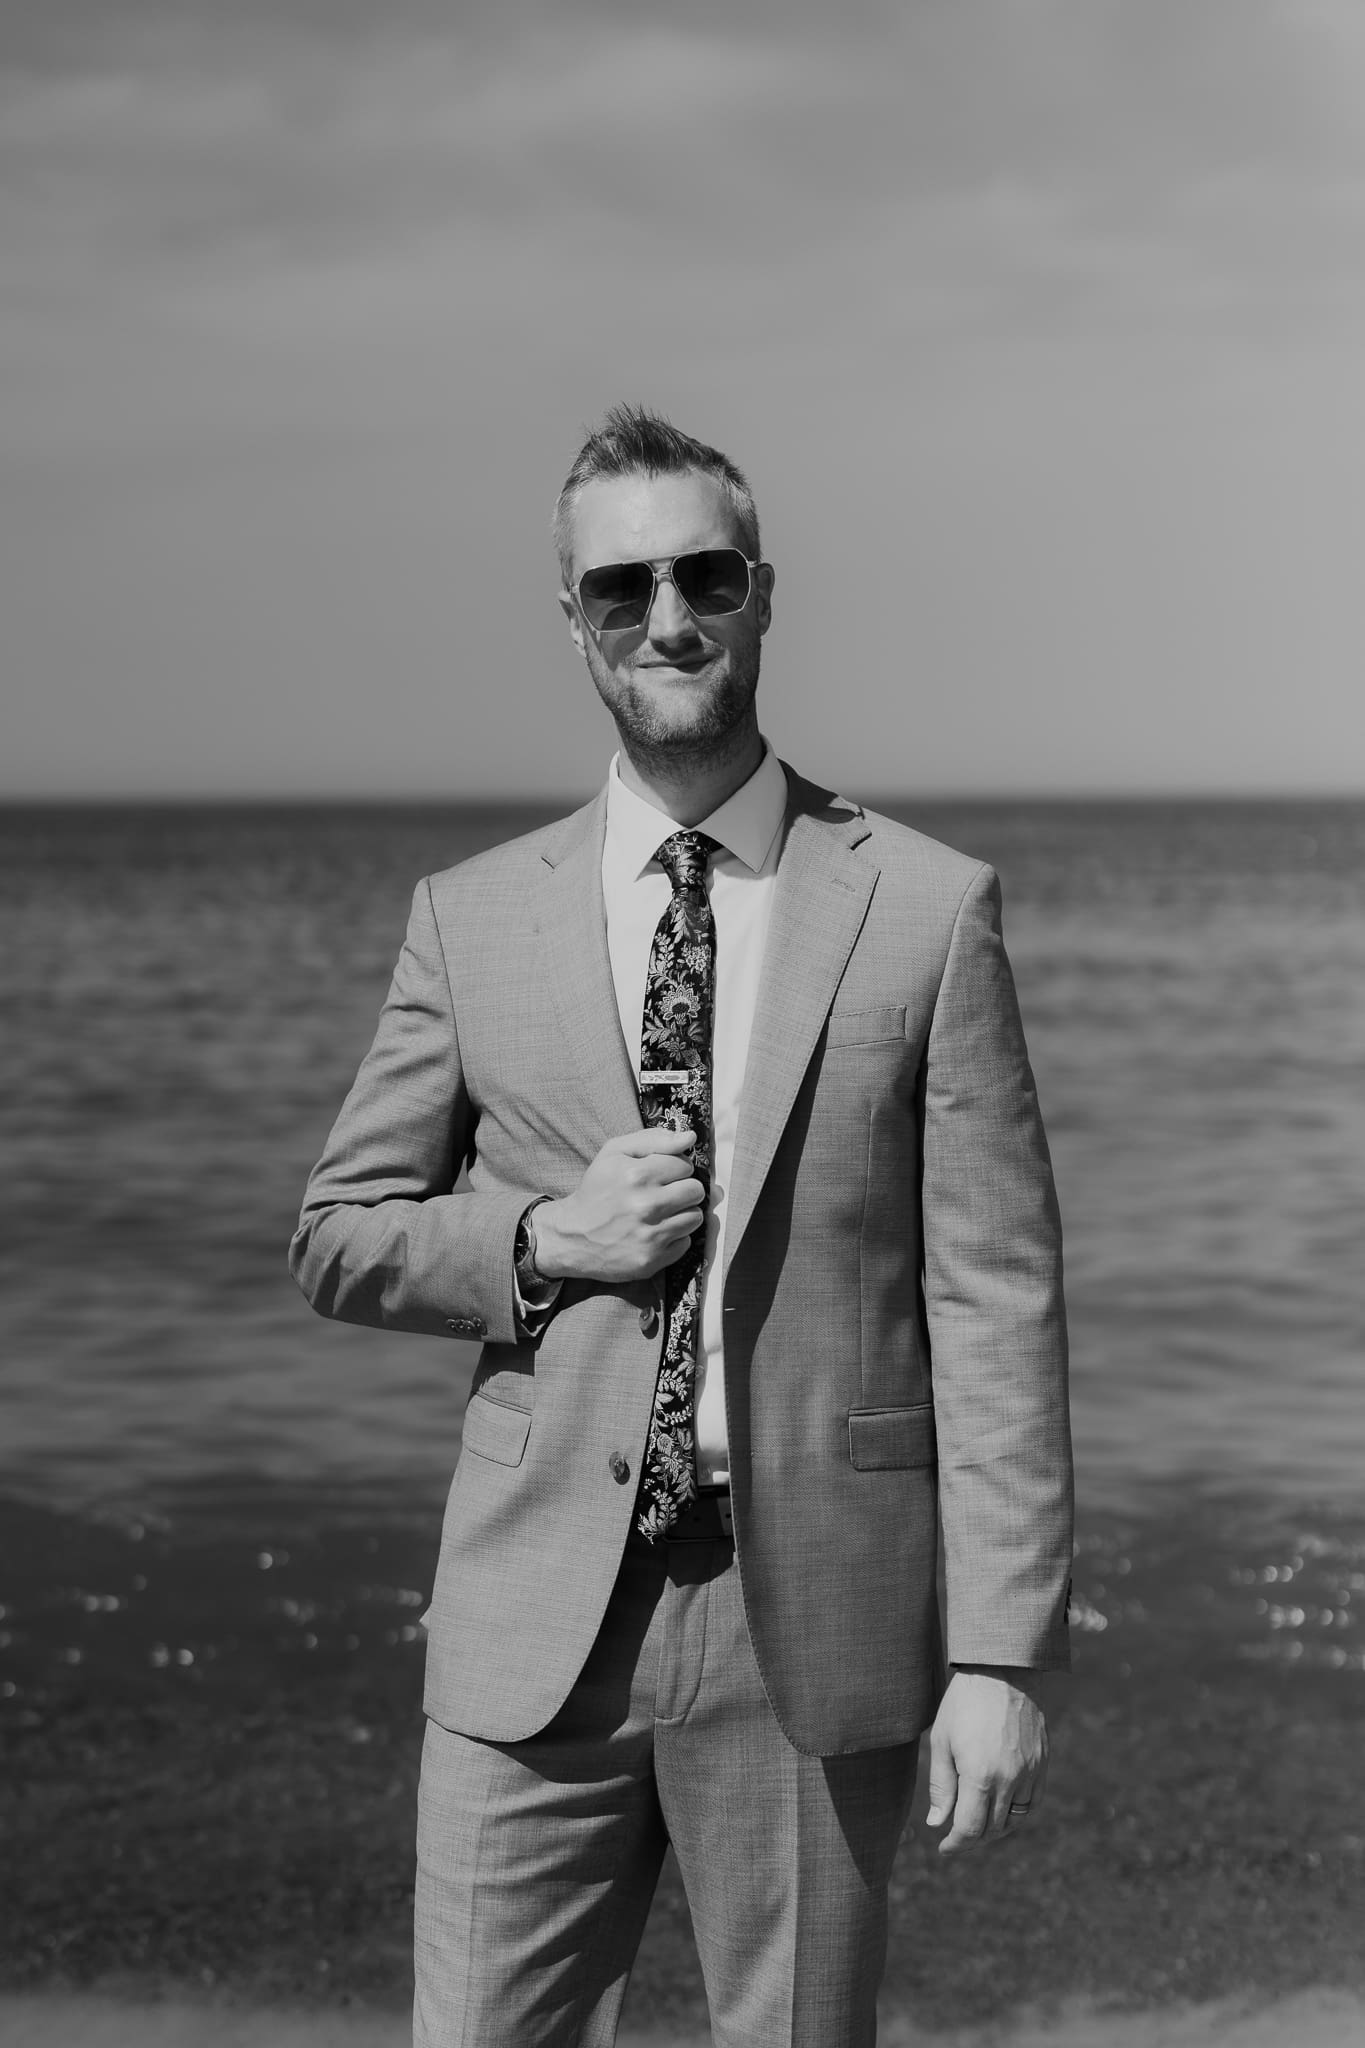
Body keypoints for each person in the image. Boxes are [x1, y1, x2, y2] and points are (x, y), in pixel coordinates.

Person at [290, 404, 1073, 2048]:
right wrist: (538, 1242)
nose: (666, 619)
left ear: (761, 593)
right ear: (571, 622)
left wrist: (999, 1656)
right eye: (618, 588)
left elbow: (994, 1301)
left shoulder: (923, 908)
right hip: (532, 1629)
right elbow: (341, 1234)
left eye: (701, 575)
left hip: (815, 1630)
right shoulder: (471, 917)